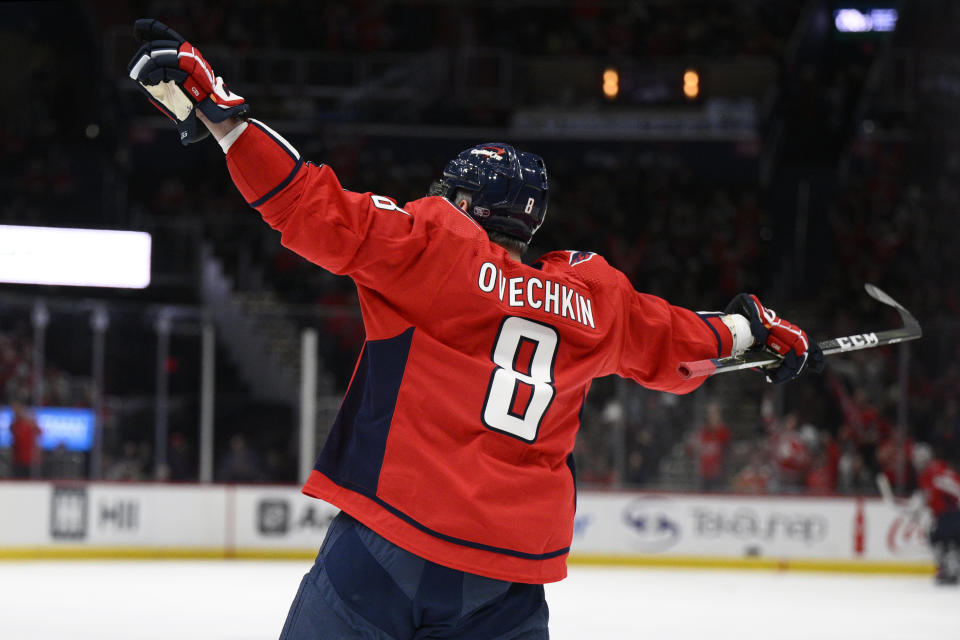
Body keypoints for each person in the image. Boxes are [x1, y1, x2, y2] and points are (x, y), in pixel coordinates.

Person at [127, 19, 824, 638]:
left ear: (466, 202)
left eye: (447, 192)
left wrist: (226, 118)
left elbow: (312, 206)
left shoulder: (437, 247)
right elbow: (682, 341)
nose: (435, 199)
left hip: (389, 543)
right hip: (507, 577)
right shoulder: (596, 297)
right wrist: (753, 326)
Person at [910, 443, 960, 585]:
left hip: (952, 514)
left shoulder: (937, 472)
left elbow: (955, 486)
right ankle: (948, 569)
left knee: (943, 540)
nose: (916, 462)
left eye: (919, 458)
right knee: (936, 539)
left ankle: (951, 569)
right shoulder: (924, 476)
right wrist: (917, 510)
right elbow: (928, 496)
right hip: (942, 516)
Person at [9, 401, 42, 479]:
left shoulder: (31, 425)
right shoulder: (15, 425)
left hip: (30, 460)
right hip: (18, 459)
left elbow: (40, 432)